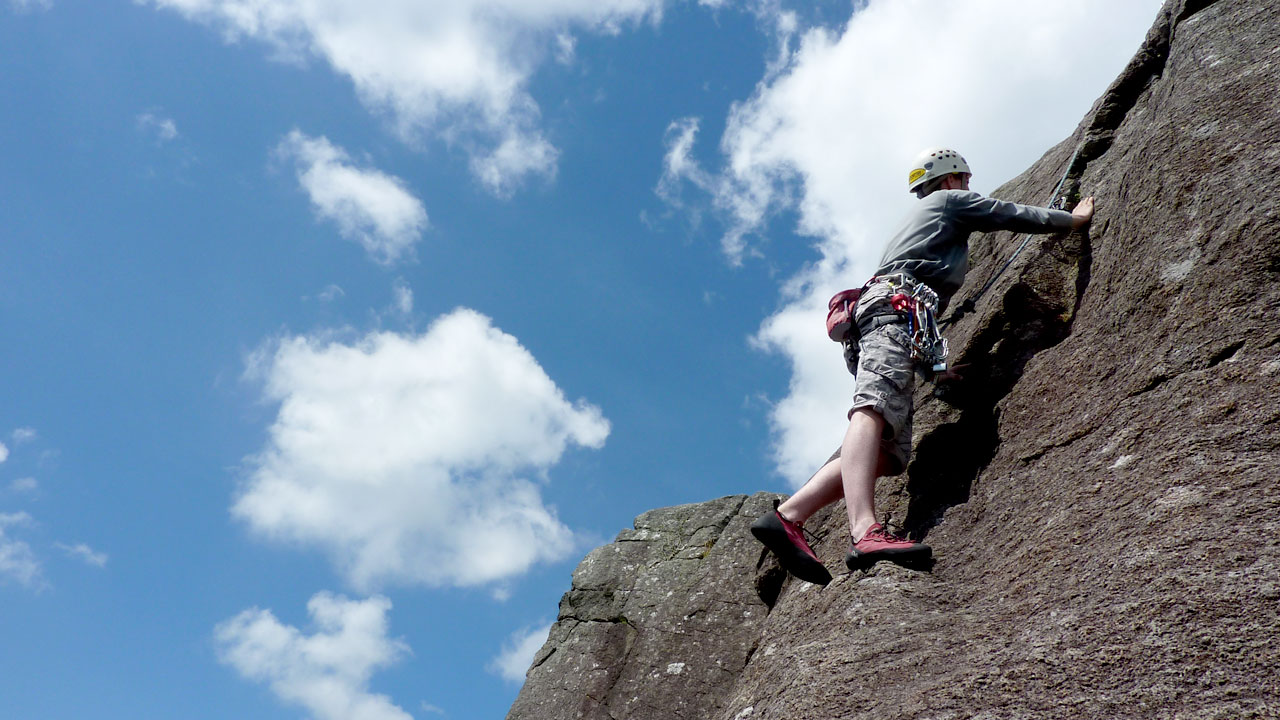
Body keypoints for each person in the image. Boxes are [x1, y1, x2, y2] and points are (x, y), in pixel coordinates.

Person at [751, 148, 1096, 585]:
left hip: (891, 318)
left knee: (889, 454)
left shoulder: (924, 228)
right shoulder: (948, 202)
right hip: (892, 313)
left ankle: (790, 515)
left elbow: (920, 317)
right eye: (965, 179)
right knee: (872, 409)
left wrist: (936, 372)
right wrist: (1072, 220)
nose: (969, 187)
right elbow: (1005, 213)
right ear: (950, 180)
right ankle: (864, 531)